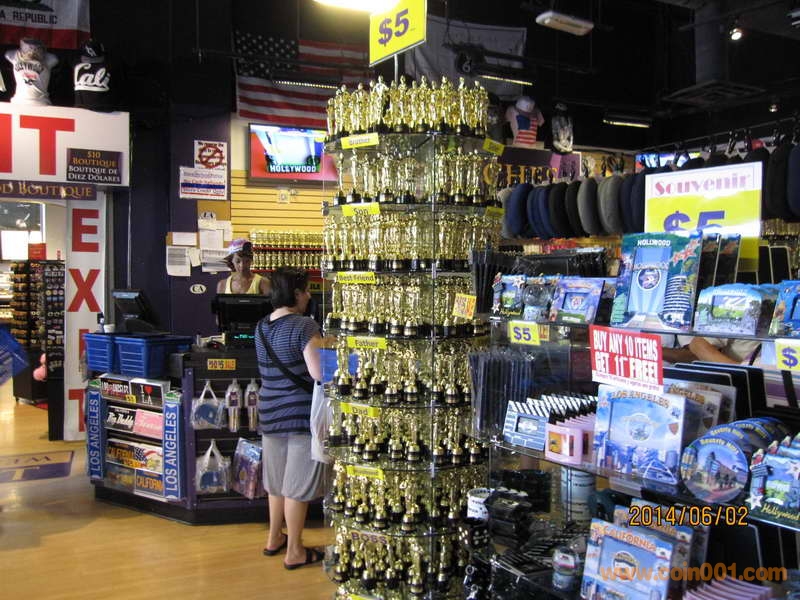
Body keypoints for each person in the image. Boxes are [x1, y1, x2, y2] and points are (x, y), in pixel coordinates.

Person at [255, 267, 325, 570]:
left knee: (276, 483)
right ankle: (295, 550)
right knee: (296, 485)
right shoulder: (304, 325)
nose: (309, 295)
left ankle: (274, 538)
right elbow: (319, 372)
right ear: (296, 293)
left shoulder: (261, 326)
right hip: (298, 415)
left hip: (270, 411)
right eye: (306, 290)